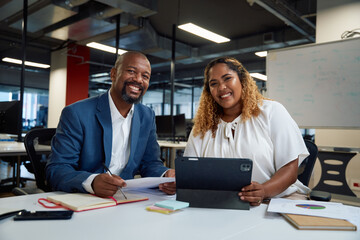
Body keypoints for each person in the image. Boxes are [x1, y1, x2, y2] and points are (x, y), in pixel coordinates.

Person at [46, 51, 175, 197]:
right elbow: (57, 169)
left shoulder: (147, 116)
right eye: (131, 71)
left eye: (145, 76)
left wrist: (165, 175)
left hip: (126, 199)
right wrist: (92, 182)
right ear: (113, 74)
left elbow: (150, 163)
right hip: (84, 198)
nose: (138, 80)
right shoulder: (76, 113)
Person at [184, 57, 309, 206]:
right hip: (222, 203)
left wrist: (264, 191)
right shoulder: (203, 126)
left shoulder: (271, 112)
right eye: (214, 84)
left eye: (227, 78)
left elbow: (290, 169)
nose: (222, 87)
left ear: (242, 80)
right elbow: (189, 172)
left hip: (276, 199)